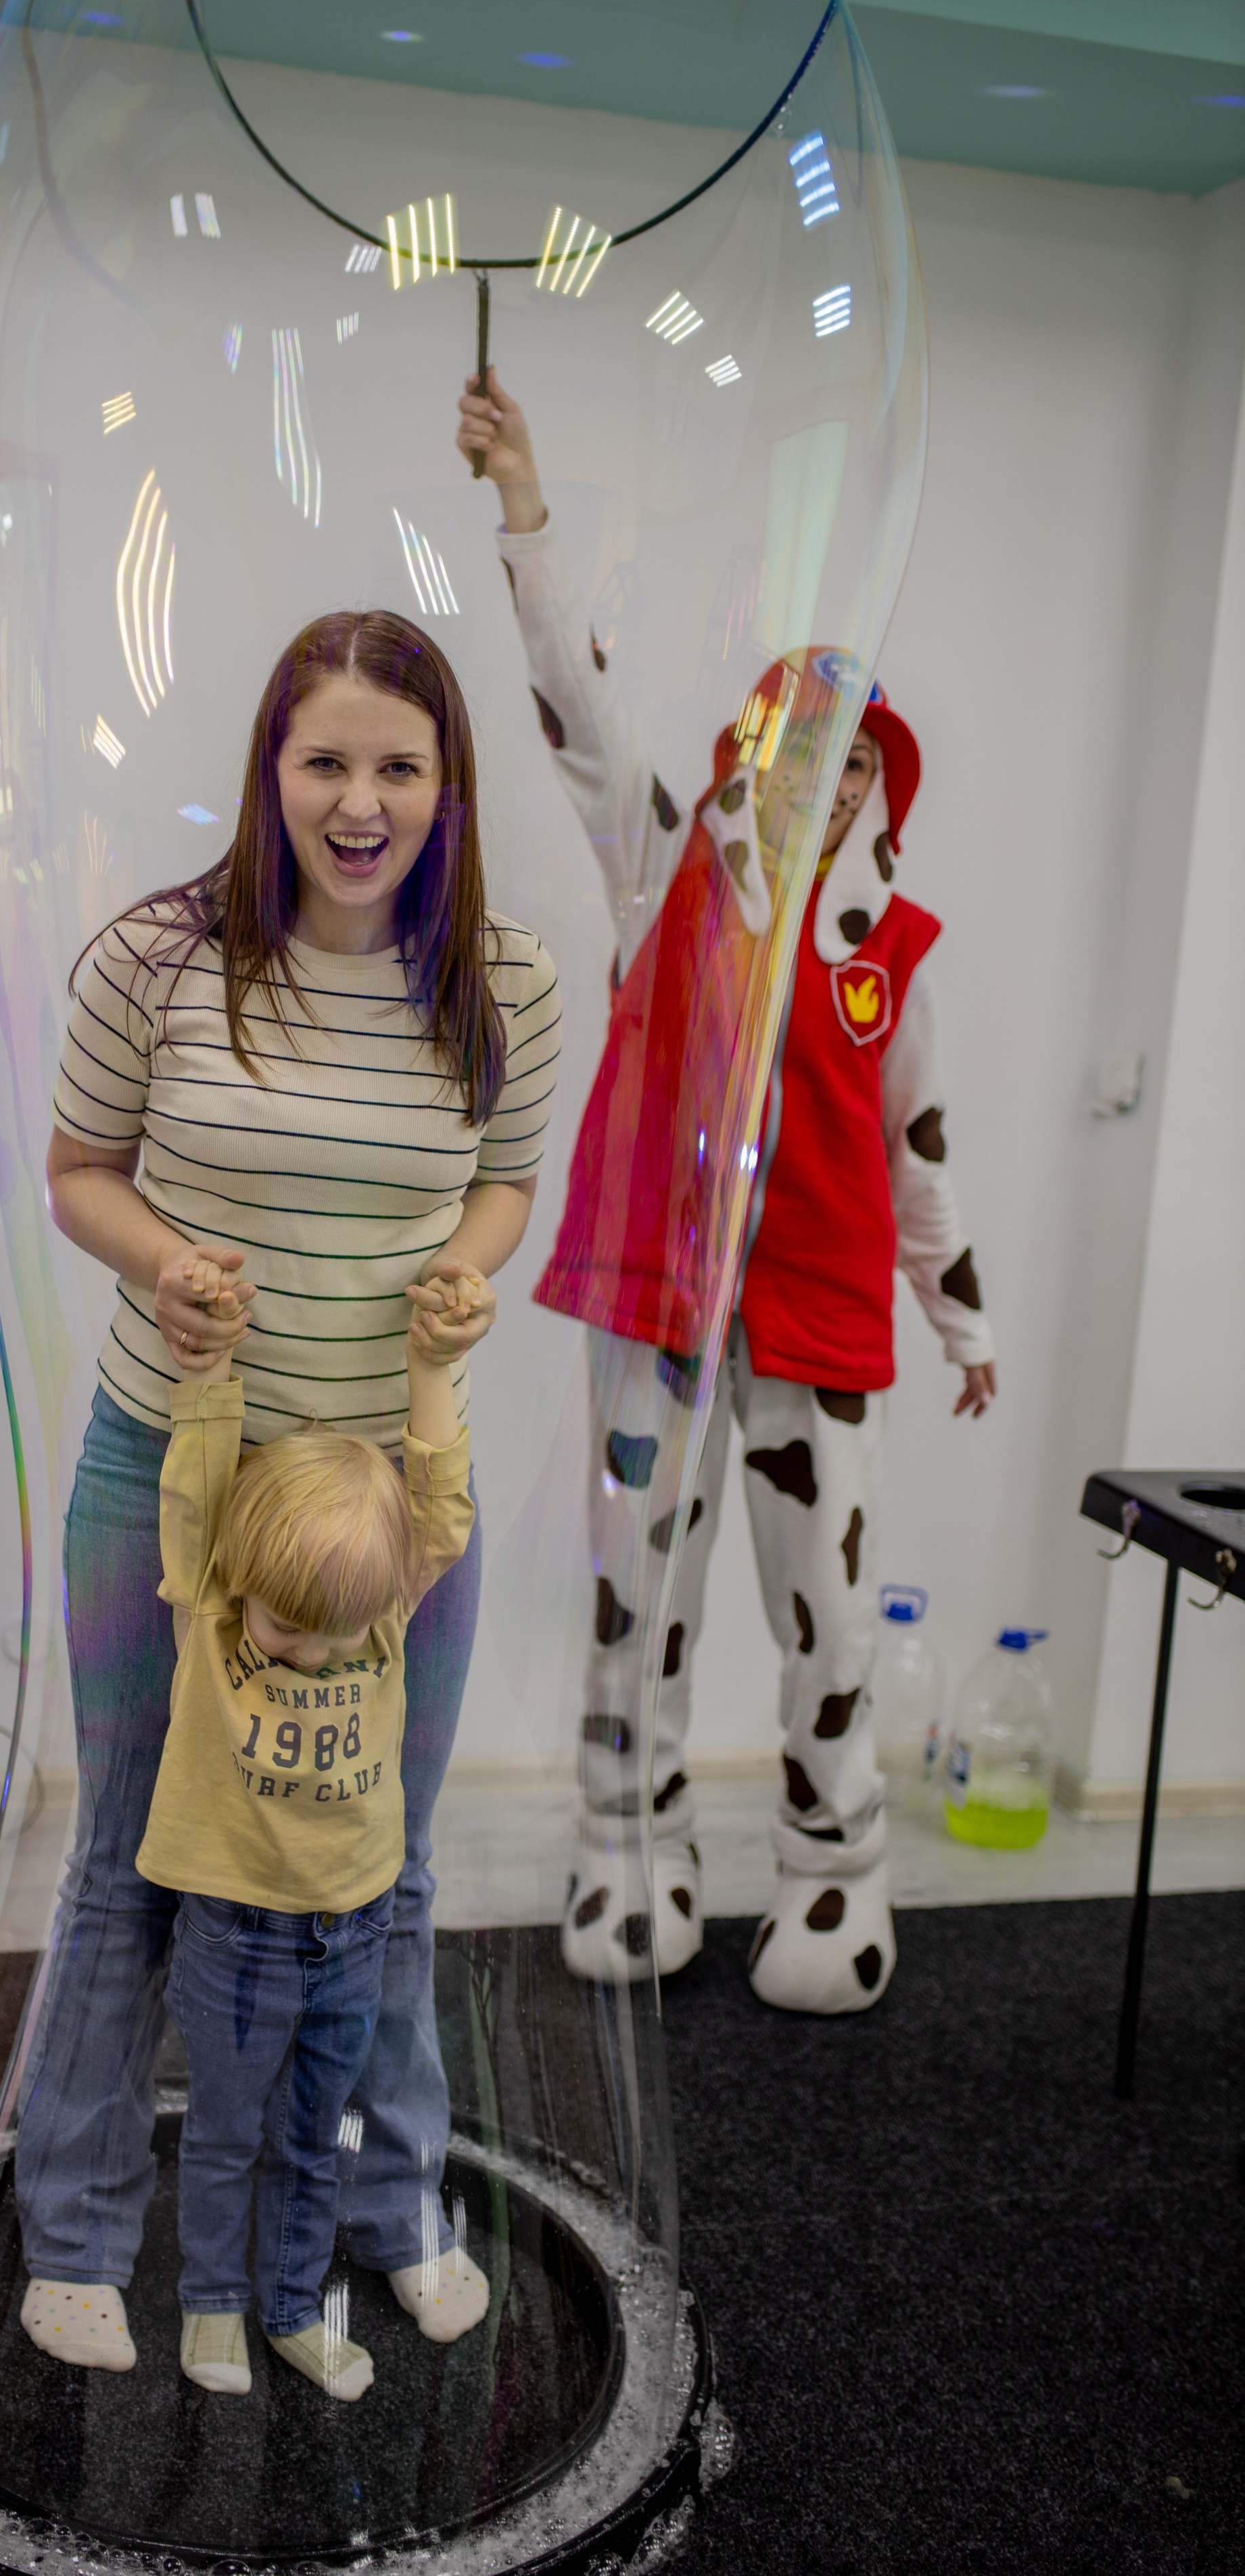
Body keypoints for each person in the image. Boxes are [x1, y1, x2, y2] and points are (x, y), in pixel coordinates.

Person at [14, 609, 561, 2368]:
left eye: (400, 766)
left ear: (446, 787)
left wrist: (472, 1273)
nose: (360, 800)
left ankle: (389, 2213)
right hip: (165, 1470)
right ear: (269, 771)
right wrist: (165, 1260)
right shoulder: (157, 960)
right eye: (325, 760)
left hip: (391, 1513)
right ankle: (82, 2238)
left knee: (384, 1869)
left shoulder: (507, 985)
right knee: (129, 1859)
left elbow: (506, 1185)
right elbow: (79, 1171)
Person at [456, 372, 995, 2016]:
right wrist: (524, 503)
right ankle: (629, 1845)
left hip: (818, 1329)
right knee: (639, 1597)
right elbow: (572, 699)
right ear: (747, 751)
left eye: (847, 763)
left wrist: (958, 1319)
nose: (813, 782)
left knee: (821, 1615)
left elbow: (922, 1145)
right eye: (791, 746)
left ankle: (835, 1879)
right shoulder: (661, 869)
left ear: (870, 791)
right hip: (657, 1311)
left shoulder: (887, 961)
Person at [135, 1254, 482, 2402]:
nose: (312, 1652)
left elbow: (436, 1506)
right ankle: (212, 2309)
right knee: (228, 2137)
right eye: (290, 1630)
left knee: (312, 2135)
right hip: (236, 1934)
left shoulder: (375, 1617)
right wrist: (215, 1368)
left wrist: (433, 1367)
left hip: (355, 1926)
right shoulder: (216, 1609)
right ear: (243, 1584)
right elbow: (195, 1486)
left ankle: (291, 2306)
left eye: (337, 1638)